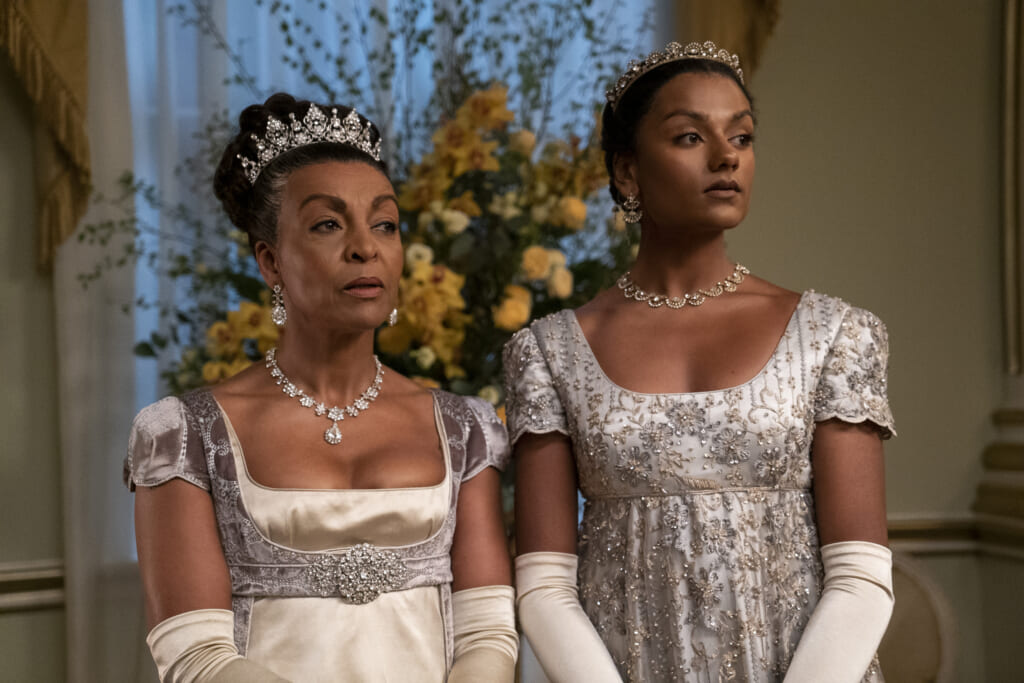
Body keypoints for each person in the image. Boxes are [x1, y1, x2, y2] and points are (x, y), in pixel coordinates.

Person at [505, 41, 895, 683]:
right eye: (690, 136)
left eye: (741, 136)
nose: (726, 156)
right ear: (627, 172)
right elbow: (545, 586)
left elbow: (860, 575)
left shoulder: (833, 335)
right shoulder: (549, 352)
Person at [124, 94, 517, 683]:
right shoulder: (184, 435)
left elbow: (487, 634)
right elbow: (196, 656)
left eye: (384, 224)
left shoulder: (464, 428)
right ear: (270, 261)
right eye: (328, 224)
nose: (365, 247)